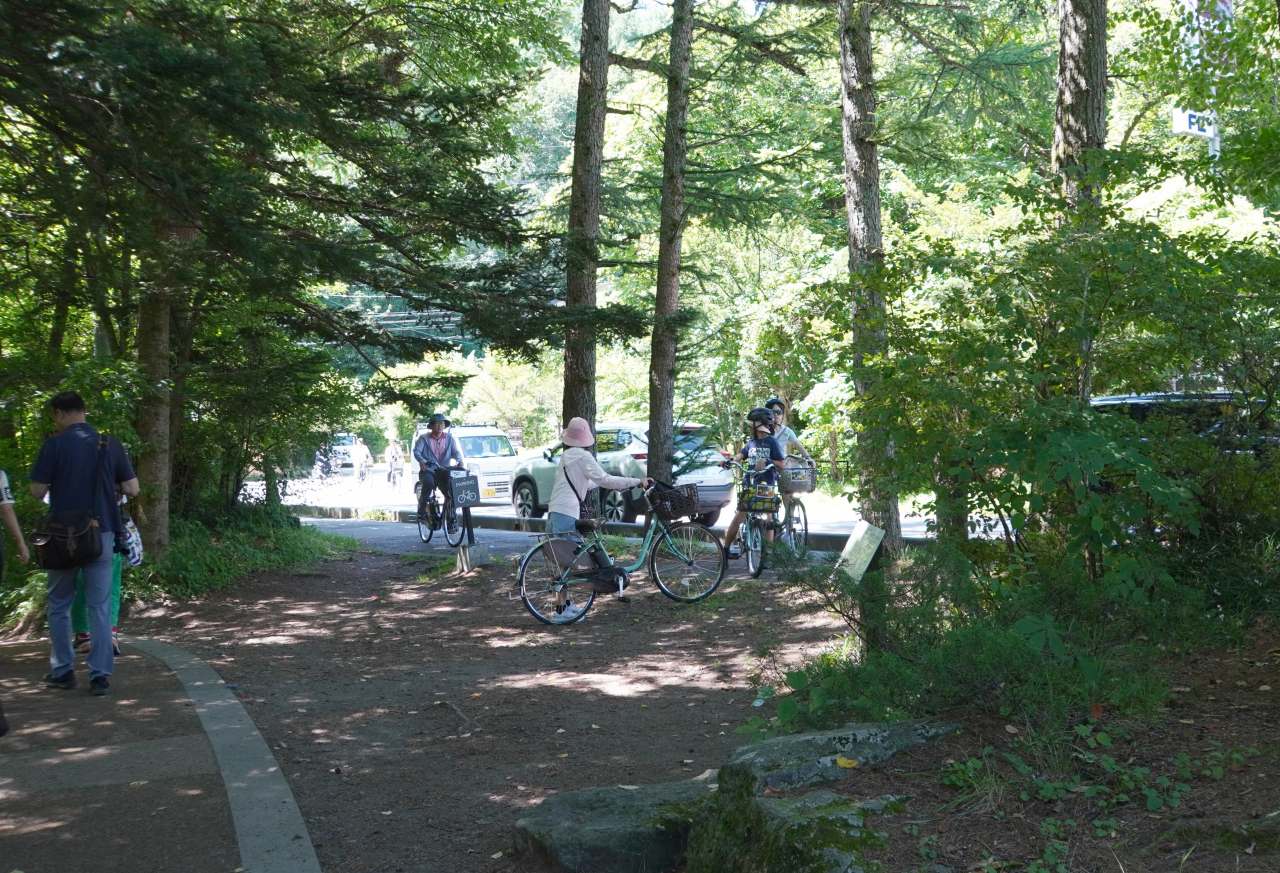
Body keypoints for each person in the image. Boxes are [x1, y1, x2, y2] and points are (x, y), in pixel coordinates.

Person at [29, 391, 139, 696]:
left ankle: (63, 671)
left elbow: (37, 491)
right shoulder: (109, 444)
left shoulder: (53, 444)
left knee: (59, 604)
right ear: (84, 411)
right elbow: (133, 487)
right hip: (101, 534)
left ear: (60, 414)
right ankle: (99, 676)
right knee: (99, 607)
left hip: (62, 537)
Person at [547, 417, 652, 618]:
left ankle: (566, 605)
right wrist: (636, 481)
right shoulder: (584, 458)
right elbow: (605, 479)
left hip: (554, 511)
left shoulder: (566, 456)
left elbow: (589, 483)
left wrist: (623, 483)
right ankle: (560, 610)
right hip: (568, 511)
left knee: (562, 561)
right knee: (568, 563)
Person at [719, 407, 786, 559]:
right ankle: (726, 549)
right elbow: (740, 455)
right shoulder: (751, 443)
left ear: (758, 425)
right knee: (739, 515)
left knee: (770, 518)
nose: (749, 427)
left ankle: (767, 555)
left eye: (751, 424)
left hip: (766, 486)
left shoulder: (772, 442)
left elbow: (781, 464)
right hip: (750, 484)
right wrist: (730, 461)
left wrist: (767, 461)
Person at [413, 414, 464, 514]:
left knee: (450, 491)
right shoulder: (424, 438)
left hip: (445, 470)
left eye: (442, 423)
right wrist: (422, 460)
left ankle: (449, 515)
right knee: (428, 483)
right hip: (428, 469)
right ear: (431, 425)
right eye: (437, 423)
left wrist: (459, 460)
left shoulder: (449, 438)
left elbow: (456, 452)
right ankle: (422, 505)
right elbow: (416, 451)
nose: (440, 426)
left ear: (444, 425)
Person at [764, 398, 812, 462]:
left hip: (782, 464)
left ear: (783, 414)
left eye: (779, 412)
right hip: (765, 464)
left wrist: (808, 457)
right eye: (773, 412)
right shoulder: (762, 430)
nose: (776, 415)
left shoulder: (786, 431)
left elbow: (799, 446)